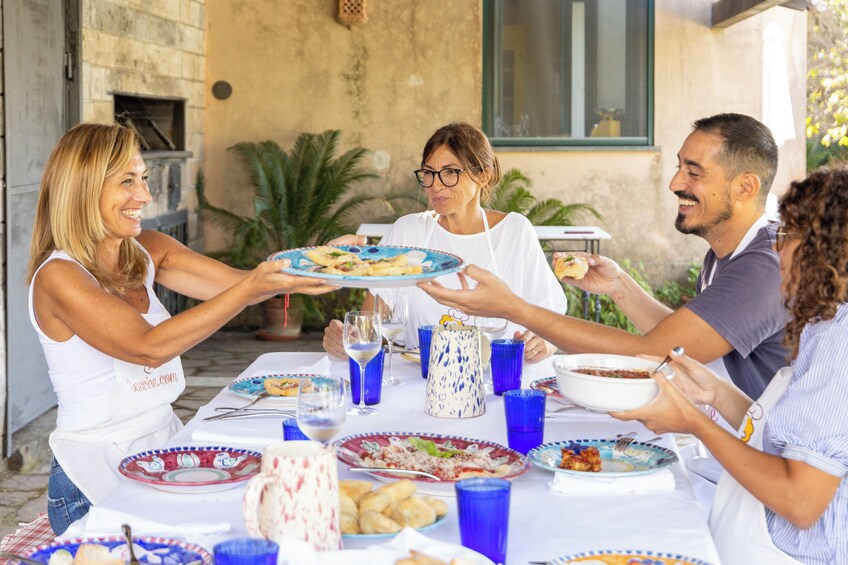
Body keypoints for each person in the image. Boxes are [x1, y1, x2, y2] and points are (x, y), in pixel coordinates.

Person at [27, 123, 351, 534]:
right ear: (83, 188)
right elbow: (147, 348)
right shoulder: (59, 276)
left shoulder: (148, 249)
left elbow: (244, 284)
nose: (144, 195)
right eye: (127, 181)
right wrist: (255, 285)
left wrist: (329, 263)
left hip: (162, 450)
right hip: (94, 476)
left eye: (143, 179)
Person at [419, 113, 788, 399]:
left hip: (760, 463)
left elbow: (654, 352)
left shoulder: (765, 267)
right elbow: (683, 342)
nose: (675, 183)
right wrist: (620, 287)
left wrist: (511, 307)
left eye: (694, 172)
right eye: (679, 167)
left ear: (745, 187)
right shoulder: (727, 255)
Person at [613, 167, 848, 564]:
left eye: (788, 236)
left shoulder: (839, 340)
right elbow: (787, 441)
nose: (777, 250)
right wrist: (717, 394)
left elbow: (801, 500)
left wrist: (692, 421)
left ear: (825, 248)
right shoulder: (824, 323)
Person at [323, 122, 567, 363]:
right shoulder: (407, 232)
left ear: (483, 175)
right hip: (419, 378)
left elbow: (552, 320)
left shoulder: (514, 231)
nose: (435, 185)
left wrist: (545, 343)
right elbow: (370, 325)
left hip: (496, 378)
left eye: (450, 172)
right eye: (428, 173)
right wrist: (347, 337)